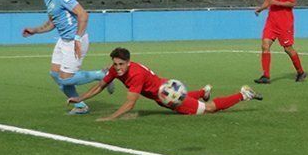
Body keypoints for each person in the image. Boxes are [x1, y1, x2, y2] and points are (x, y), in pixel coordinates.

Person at [68, 47, 262, 121]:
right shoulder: (115, 69)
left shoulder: (135, 75)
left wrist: (110, 118)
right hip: (163, 93)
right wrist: (80, 98)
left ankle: (243, 94)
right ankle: (202, 91)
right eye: (115, 64)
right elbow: (99, 86)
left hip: (167, 95)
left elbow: (130, 104)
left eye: (121, 65)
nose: (117, 68)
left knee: (209, 109)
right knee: (193, 103)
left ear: (128, 62)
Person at [21, 0, 111, 115]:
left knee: (66, 79)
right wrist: (35, 30)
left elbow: (83, 15)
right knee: (55, 75)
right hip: (64, 40)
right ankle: (81, 106)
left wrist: (77, 38)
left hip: (76, 40)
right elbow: (52, 22)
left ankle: (101, 75)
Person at [254, 0, 307, 84]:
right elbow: (269, 1)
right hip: (271, 21)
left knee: (288, 48)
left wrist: (276, 3)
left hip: (284, 22)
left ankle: (300, 72)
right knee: (265, 46)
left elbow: (292, 3)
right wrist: (260, 9)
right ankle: (266, 76)